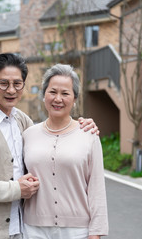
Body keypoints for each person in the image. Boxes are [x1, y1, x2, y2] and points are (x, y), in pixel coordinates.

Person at [0, 53, 98, 239]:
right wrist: (15, 189)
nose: (11, 90)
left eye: (17, 84)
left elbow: (51, 140)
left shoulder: (21, 121)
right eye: (4, 83)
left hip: (20, 229)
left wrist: (81, 127)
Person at [23, 64, 109, 239]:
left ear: (75, 98)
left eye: (65, 93)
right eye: (52, 92)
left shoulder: (89, 135)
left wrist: (96, 232)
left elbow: (96, 188)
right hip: (33, 229)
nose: (58, 99)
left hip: (77, 231)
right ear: (44, 94)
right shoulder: (28, 135)